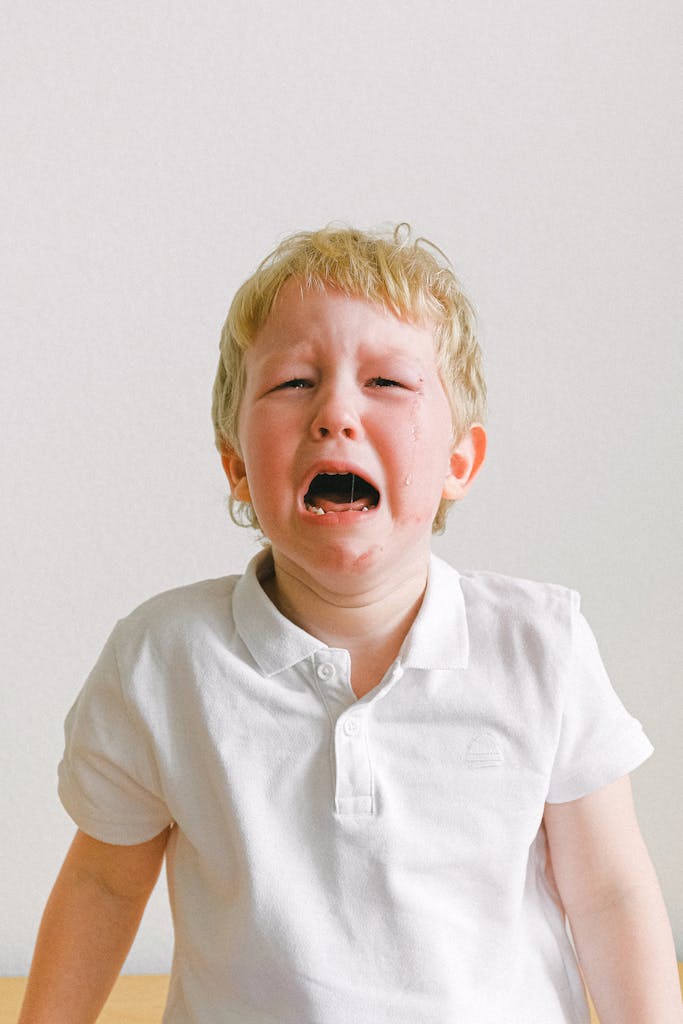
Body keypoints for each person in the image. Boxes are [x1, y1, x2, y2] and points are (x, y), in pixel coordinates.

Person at [19, 225, 681, 1023]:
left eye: (387, 384)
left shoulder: (539, 644)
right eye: (294, 382)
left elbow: (608, 894)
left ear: (457, 464)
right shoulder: (164, 659)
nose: (335, 411)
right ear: (235, 464)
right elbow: (102, 882)